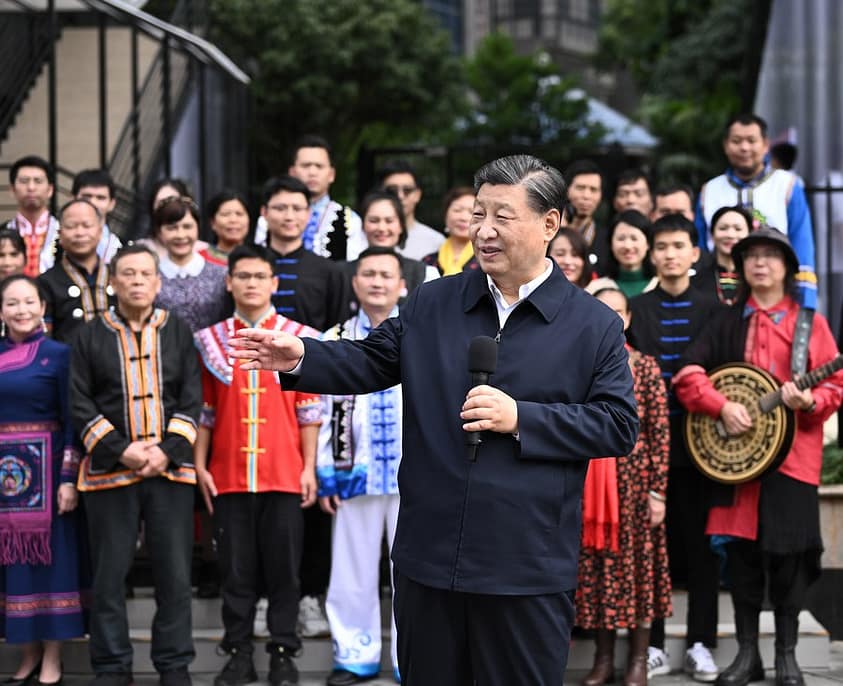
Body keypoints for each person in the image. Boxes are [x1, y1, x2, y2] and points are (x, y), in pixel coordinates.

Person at [229, 154, 640, 684]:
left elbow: (616, 424)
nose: (484, 231)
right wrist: (302, 356)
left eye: (502, 216)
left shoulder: (593, 324)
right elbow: (372, 358)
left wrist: (521, 417)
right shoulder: (433, 301)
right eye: (478, 214)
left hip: (525, 565)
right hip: (429, 557)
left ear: (550, 223)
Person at [673, 228, 843, 686]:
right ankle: (748, 655)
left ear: (787, 267)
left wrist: (809, 401)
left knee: (790, 558)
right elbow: (688, 373)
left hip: (794, 462)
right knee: (742, 559)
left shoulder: (810, 324)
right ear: (742, 267)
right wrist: (720, 406)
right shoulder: (726, 321)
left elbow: (834, 386)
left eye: (770, 256)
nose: (760, 263)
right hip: (735, 463)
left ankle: (786, 654)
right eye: (752, 256)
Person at [70, 244, 202, 686]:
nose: (138, 281)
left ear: (158, 282)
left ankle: (174, 664)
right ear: (113, 282)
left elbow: (191, 397)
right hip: (110, 472)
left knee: (175, 575)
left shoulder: (177, 330)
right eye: (128, 273)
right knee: (109, 577)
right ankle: (112, 667)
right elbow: (79, 400)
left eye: (146, 274)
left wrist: (166, 450)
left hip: (170, 470)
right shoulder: (90, 335)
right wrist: (121, 449)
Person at [193, 244, 321, 686]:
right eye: (243, 276)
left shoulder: (296, 336)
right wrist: (200, 465)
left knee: (285, 570)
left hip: (284, 472)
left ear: (274, 282)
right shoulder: (210, 340)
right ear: (229, 282)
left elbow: (309, 409)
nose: (251, 283)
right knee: (235, 571)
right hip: (228, 474)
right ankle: (239, 652)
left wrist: (309, 467)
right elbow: (205, 410)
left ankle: (284, 651)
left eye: (259, 276)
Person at [625, 215, 724, 682]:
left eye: (678, 246)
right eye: (661, 247)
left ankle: (702, 642)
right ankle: (654, 645)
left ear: (694, 253)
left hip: (704, 446)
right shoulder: (637, 308)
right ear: (652, 254)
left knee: (703, 548)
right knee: (654, 550)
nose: (669, 254)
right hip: (648, 449)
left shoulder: (714, 307)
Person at [318, 247, 406, 686]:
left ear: (402, 285)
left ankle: (415, 659)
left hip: (414, 476)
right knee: (351, 569)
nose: (377, 282)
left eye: (386, 275)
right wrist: (325, 473)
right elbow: (320, 408)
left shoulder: (423, 332)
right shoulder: (334, 337)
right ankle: (354, 654)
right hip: (353, 470)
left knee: (412, 572)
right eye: (368, 274)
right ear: (354, 283)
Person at [577, 287, 671, 686]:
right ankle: (603, 661)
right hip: (590, 491)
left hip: (635, 491)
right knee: (599, 576)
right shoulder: (577, 363)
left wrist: (657, 492)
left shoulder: (645, 367)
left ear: (629, 318)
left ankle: (638, 661)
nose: (612, 318)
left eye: (618, 311)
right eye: (604, 310)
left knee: (639, 577)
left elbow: (659, 432)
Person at [0, 275, 87, 686]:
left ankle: (53, 656)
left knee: (54, 565)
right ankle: (27, 653)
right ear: (1, 311)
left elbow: (73, 420)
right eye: (12, 303)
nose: (21, 310)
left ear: (42, 307)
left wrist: (68, 477)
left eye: (28, 302)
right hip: (5, 479)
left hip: (48, 474)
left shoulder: (60, 355)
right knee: (11, 564)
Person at [695, 113, 816, 309]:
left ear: (766, 144)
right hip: (717, 298)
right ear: (726, 145)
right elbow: (700, 249)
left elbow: (802, 246)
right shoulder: (709, 191)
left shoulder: (787, 186)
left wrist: (805, 304)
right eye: (736, 141)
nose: (744, 148)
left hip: (775, 298)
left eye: (751, 141)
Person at [261, 175, 350, 333]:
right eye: (280, 208)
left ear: (309, 214)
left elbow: (337, 330)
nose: (289, 217)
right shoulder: (248, 267)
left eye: (297, 209)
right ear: (264, 212)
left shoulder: (329, 272)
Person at [255, 136, 365, 262]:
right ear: (292, 172)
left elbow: (355, 267)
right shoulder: (269, 218)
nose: (312, 172)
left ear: (331, 174)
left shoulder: (350, 220)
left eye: (319, 166)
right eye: (305, 166)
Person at [39, 199, 116, 344]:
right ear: (60, 234)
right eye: (71, 226)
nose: (80, 233)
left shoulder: (118, 276)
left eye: (87, 225)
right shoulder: (46, 283)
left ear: (100, 231)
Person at [153, 196, 228, 333]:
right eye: (172, 228)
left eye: (187, 227)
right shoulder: (151, 276)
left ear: (197, 228)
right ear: (159, 232)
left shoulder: (221, 274)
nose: (181, 235)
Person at [352, 191, 437, 298]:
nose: (382, 228)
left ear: (401, 226)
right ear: (363, 225)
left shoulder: (425, 273)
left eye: (389, 221)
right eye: (374, 221)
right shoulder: (342, 273)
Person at [5, 156, 60, 277]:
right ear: (12, 189)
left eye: (38, 181)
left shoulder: (64, 231)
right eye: (24, 181)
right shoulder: (3, 231)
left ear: (50, 190)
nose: (31, 187)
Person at [379, 160, 445, 260]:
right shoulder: (363, 236)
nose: (400, 196)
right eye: (392, 190)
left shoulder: (436, 242)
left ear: (418, 195)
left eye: (407, 190)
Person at [693, 206, 752, 306]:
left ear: (749, 234)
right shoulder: (697, 278)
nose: (730, 235)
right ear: (712, 234)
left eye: (738, 229)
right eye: (723, 228)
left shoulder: (756, 276)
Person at [591, 211, 656, 298]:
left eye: (634, 238)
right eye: (621, 239)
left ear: (648, 243)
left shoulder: (662, 286)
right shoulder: (594, 289)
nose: (628, 246)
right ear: (611, 244)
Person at [422, 187, 478, 276]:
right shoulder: (428, 261)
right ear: (445, 215)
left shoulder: (487, 260)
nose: (463, 217)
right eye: (457, 210)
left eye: (472, 212)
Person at [564, 160, 608, 272]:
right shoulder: (549, 233)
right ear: (567, 190)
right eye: (580, 188)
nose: (586, 196)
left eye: (593, 190)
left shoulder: (607, 239)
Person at [72, 169, 123, 263]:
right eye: (86, 196)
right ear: (73, 199)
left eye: (100, 198)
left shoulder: (120, 248)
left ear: (111, 204)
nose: (93, 202)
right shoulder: (56, 238)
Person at [199, 191, 251, 267]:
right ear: (213, 223)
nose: (233, 220)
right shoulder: (198, 259)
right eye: (225, 214)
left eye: (239, 214)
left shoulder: (260, 259)